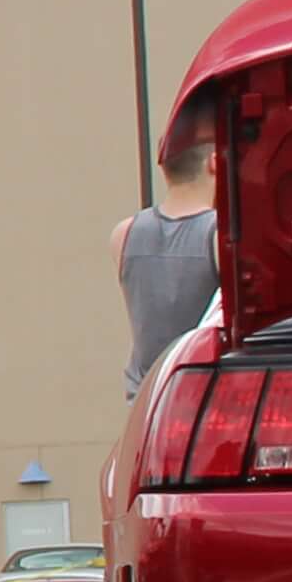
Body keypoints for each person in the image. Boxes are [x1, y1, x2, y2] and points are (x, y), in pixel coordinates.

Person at [116, 105, 222, 393]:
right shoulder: (220, 234)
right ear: (215, 162)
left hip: (146, 403)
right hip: (201, 394)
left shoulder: (124, 233)